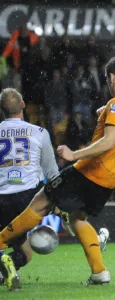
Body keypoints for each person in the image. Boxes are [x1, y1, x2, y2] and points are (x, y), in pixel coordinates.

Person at [0, 56, 115, 288]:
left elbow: (109, 142)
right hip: (108, 181)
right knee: (76, 218)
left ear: (111, 77)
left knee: (41, 201)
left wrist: (73, 154)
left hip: (89, 171)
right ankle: (99, 272)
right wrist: (107, 111)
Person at [0, 88, 59, 291]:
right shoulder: (39, 133)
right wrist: (59, 202)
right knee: (25, 253)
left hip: (1, 198)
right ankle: (6, 267)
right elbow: (52, 173)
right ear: (23, 105)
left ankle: (3, 264)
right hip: (29, 198)